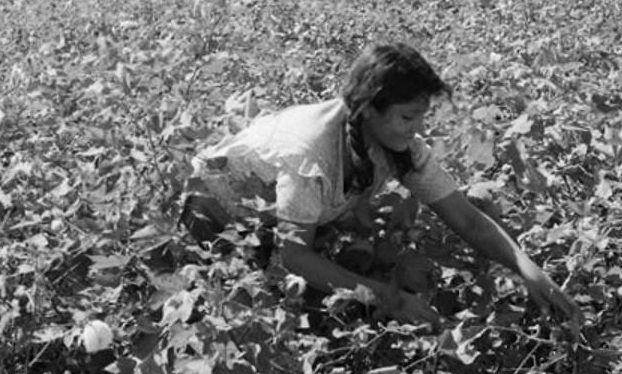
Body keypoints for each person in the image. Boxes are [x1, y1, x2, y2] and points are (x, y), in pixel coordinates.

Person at [181, 42, 581, 329]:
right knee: (256, 317)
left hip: (271, 218)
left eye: (421, 117)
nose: (419, 128)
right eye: (409, 117)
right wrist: (387, 298)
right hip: (212, 213)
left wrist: (528, 268)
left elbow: (468, 220)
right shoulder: (310, 154)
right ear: (370, 108)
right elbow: (294, 257)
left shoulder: (398, 145)